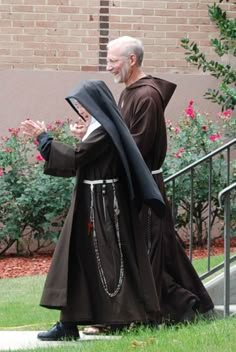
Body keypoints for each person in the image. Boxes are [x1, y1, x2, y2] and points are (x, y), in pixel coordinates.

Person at [21, 79, 166, 341]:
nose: (81, 110)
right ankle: (72, 323)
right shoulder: (102, 128)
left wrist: (43, 139)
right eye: (78, 105)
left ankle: (122, 317)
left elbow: (77, 157)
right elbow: (84, 157)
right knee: (82, 260)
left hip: (101, 206)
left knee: (105, 262)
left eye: (84, 104)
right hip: (93, 202)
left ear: (96, 104)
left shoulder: (104, 129)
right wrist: (82, 136)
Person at [105, 36, 214, 324]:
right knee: (159, 252)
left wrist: (100, 152)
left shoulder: (146, 96)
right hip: (134, 186)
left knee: (148, 252)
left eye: (113, 60)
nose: (108, 67)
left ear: (132, 60)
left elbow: (136, 147)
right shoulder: (129, 92)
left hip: (145, 189)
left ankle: (163, 311)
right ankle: (187, 304)